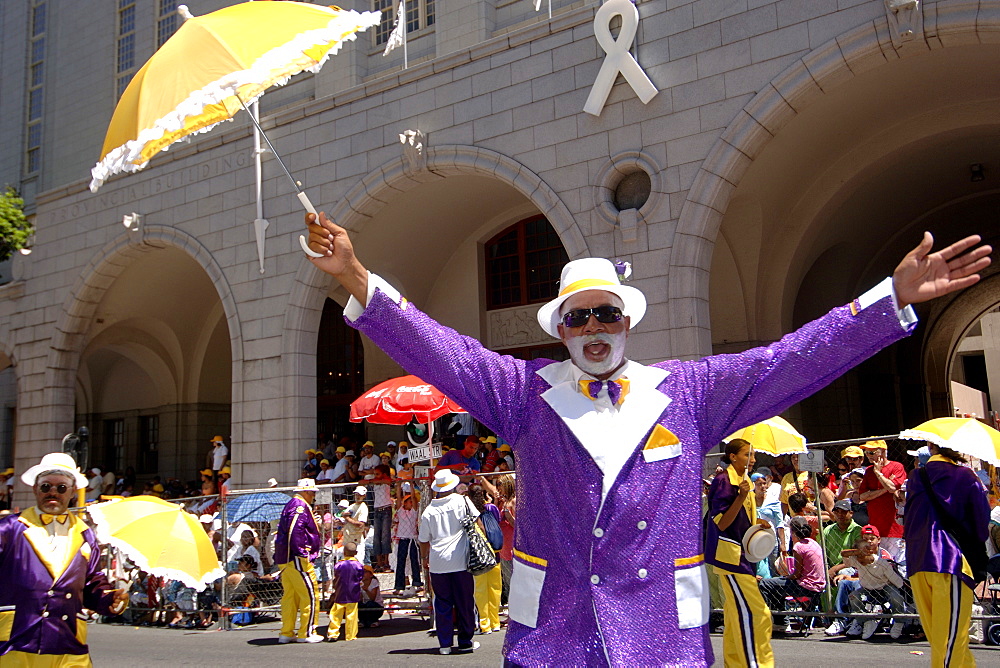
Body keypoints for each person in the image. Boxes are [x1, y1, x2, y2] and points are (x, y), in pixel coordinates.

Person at [305, 211, 990, 665]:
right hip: (556, 628)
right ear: (561, 330)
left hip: (662, 625)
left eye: (607, 313)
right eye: (580, 319)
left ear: (626, 320)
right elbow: (442, 350)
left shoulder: (688, 392)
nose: (595, 327)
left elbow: (792, 359)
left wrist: (888, 300)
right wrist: (356, 278)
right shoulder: (523, 394)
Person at [0, 452, 128, 664]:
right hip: (16, 641)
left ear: (71, 491)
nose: (53, 493)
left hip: (67, 642)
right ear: (35, 489)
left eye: (61, 488)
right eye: (45, 487)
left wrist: (110, 599)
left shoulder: (85, 533)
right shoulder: (8, 529)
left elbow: (91, 582)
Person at [904, 441, 990, 666]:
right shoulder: (966, 476)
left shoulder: (915, 476)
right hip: (949, 561)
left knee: (941, 639)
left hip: (917, 560)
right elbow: (981, 524)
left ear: (932, 446)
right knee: (951, 642)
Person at [705, 438, 773, 667]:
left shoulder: (743, 480)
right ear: (733, 456)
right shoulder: (724, 481)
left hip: (745, 556)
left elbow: (740, 520)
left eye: (753, 455)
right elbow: (722, 523)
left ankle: (735, 663)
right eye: (747, 455)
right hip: (732, 559)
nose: (752, 460)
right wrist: (742, 496)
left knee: (735, 616)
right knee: (757, 614)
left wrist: (758, 522)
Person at [419, 470, 481, 655]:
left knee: (443, 603)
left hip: (438, 562)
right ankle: (465, 641)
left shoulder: (429, 511)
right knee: (464, 601)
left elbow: (423, 540)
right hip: (461, 560)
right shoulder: (462, 501)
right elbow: (478, 522)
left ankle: (444, 644)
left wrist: (424, 559)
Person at [274, 478, 323, 644]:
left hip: (287, 558)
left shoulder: (292, 504)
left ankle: (287, 632)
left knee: (290, 595)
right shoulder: (300, 506)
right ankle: (307, 632)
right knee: (310, 594)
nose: (313, 496)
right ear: (307, 491)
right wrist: (303, 553)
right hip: (296, 558)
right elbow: (296, 530)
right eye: (312, 493)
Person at [839, 533, 908, 640]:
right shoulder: (857, 561)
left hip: (885, 587)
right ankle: (867, 621)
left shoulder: (882, 564)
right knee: (853, 596)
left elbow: (898, 583)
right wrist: (857, 552)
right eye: (857, 556)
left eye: (861, 556)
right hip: (867, 589)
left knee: (895, 596)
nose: (859, 559)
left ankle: (898, 621)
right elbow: (843, 554)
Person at [759, 517, 826, 615]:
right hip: (818, 585)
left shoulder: (798, 547)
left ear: (792, 531)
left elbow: (796, 575)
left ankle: (772, 617)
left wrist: (786, 577)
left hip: (806, 587)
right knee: (777, 584)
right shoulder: (813, 543)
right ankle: (781, 619)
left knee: (765, 584)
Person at [857, 440, 906, 564]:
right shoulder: (869, 471)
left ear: (883, 451)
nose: (869, 455)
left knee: (897, 563)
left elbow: (893, 487)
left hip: (894, 526)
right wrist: (885, 488)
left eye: (872, 452)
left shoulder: (896, 466)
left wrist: (879, 474)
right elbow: (863, 496)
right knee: (879, 563)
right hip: (876, 527)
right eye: (866, 453)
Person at [822, 499, 863, 636]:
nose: (840, 515)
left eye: (844, 512)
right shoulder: (828, 530)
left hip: (850, 567)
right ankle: (828, 616)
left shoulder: (857, 530)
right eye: (837, 511)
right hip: (829, 565)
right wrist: (827, 568)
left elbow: (857, 558)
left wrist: (835, 569)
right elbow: (822, 553)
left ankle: (843, 618)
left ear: (851, 513)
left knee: (843, 573)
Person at [326, 542, 364, 642]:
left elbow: (336, 576)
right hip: (353, 593)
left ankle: (333, 633)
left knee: (336, 614)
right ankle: (350, 635)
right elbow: (360, 578)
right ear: (356, 553)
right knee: (351, 615)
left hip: (340, 592)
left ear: (344, 552)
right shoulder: (358, 565)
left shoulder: (339, 564)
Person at [368, 465, 394, 572]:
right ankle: (379, 563)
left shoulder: (386, 481)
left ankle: (386, 562)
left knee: (385, 536)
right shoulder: (375, 481)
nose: (375, 476)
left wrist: (379, 480)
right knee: (376, 537)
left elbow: (389, 481)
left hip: (386, 508)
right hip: (377, 509)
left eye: (377, 474)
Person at [343, 486, 370, 565]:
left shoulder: (363, 507)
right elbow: (343, 514)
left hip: (356, 540)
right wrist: (344, 515)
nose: (357, 496)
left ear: (364, 496)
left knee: (357, 562)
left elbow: (361, 524)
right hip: (347, 539)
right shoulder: (352, 505)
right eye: (356, 494)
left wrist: (348, 519)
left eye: (360, 495)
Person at [358, 564, 385, 628]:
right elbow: (360, 599)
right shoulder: (360, 583)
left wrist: (366, 590)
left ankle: (373, 620)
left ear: (370, 575)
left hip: (376, 605)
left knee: (370, 604)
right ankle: (362, 620)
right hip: (365, 604)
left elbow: (373, 598)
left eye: (365, 572)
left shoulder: (374, 582)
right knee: (358, 604)